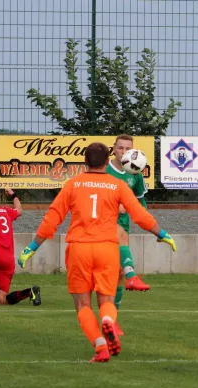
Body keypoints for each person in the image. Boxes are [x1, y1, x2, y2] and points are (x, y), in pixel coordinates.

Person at [17, 142, 176, 363]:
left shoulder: (73, 184)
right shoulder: (117, 185)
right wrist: (162, 233)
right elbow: (139, 214)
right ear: (106, 162)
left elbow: (53, 217)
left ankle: (100, 346)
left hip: (79, 249)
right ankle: (109, 320)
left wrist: (31, 247)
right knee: (106, 300)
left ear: (85, 162)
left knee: (83, 305)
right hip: (107, 248)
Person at [106, 134, 150, 335]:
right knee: (111, 273)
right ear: (113, 149)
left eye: (128, 149)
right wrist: (116, 205)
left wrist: (151, 225)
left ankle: (112, 320)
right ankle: (133, 275)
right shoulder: (104, 171)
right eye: (120, 148)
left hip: (123, 226)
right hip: (103, 225)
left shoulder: (135, 172)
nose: (124, 152)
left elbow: (140, 202)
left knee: (118, 274)